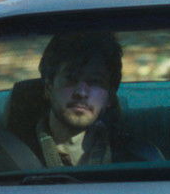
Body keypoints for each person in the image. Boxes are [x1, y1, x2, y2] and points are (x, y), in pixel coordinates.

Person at [8, 31, 161, 167]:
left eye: (95, 81)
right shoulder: (0, 162)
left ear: (110, 97)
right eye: (71, 78)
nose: (81, 92)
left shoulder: (142, 160)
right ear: (48, 88)